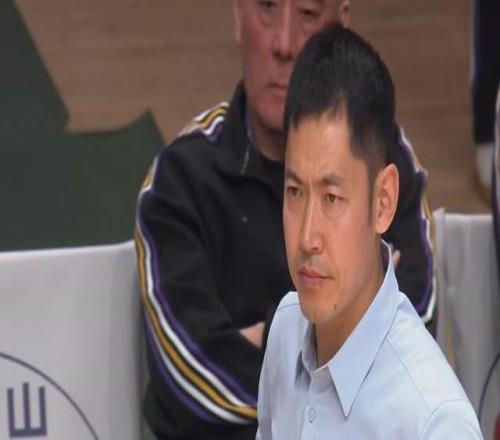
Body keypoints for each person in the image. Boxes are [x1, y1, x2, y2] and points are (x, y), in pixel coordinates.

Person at [135, 1, 435, 438]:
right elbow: (190, 378)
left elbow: (415, 332)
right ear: (238, 15)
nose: (284, 43)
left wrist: (265, 338)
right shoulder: (181, 180)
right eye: (267, 8)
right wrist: (331, 347)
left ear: (341, 23)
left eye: (308, 13)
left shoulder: (387, 162)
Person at [256, 24, 482, 439]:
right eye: (294, 191)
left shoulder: (434, 421)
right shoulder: (287, 328)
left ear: (383, 202)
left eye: (331, 198)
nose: (307, 238)